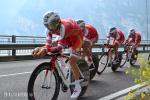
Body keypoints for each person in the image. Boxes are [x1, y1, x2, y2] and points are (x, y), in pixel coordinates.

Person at [32, 11, 83, 99]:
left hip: (77, 38)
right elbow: (48, 45)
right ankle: (63, 71)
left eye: (52, 25)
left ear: (58, 22)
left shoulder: (64, 27)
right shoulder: (49, 29)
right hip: (66, 36)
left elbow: (60, 47)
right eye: (47, 26)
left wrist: (45, 49)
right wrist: (41, 48)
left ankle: (78, 86)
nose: (50, 29)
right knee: (54, 46)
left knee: (72, 60)